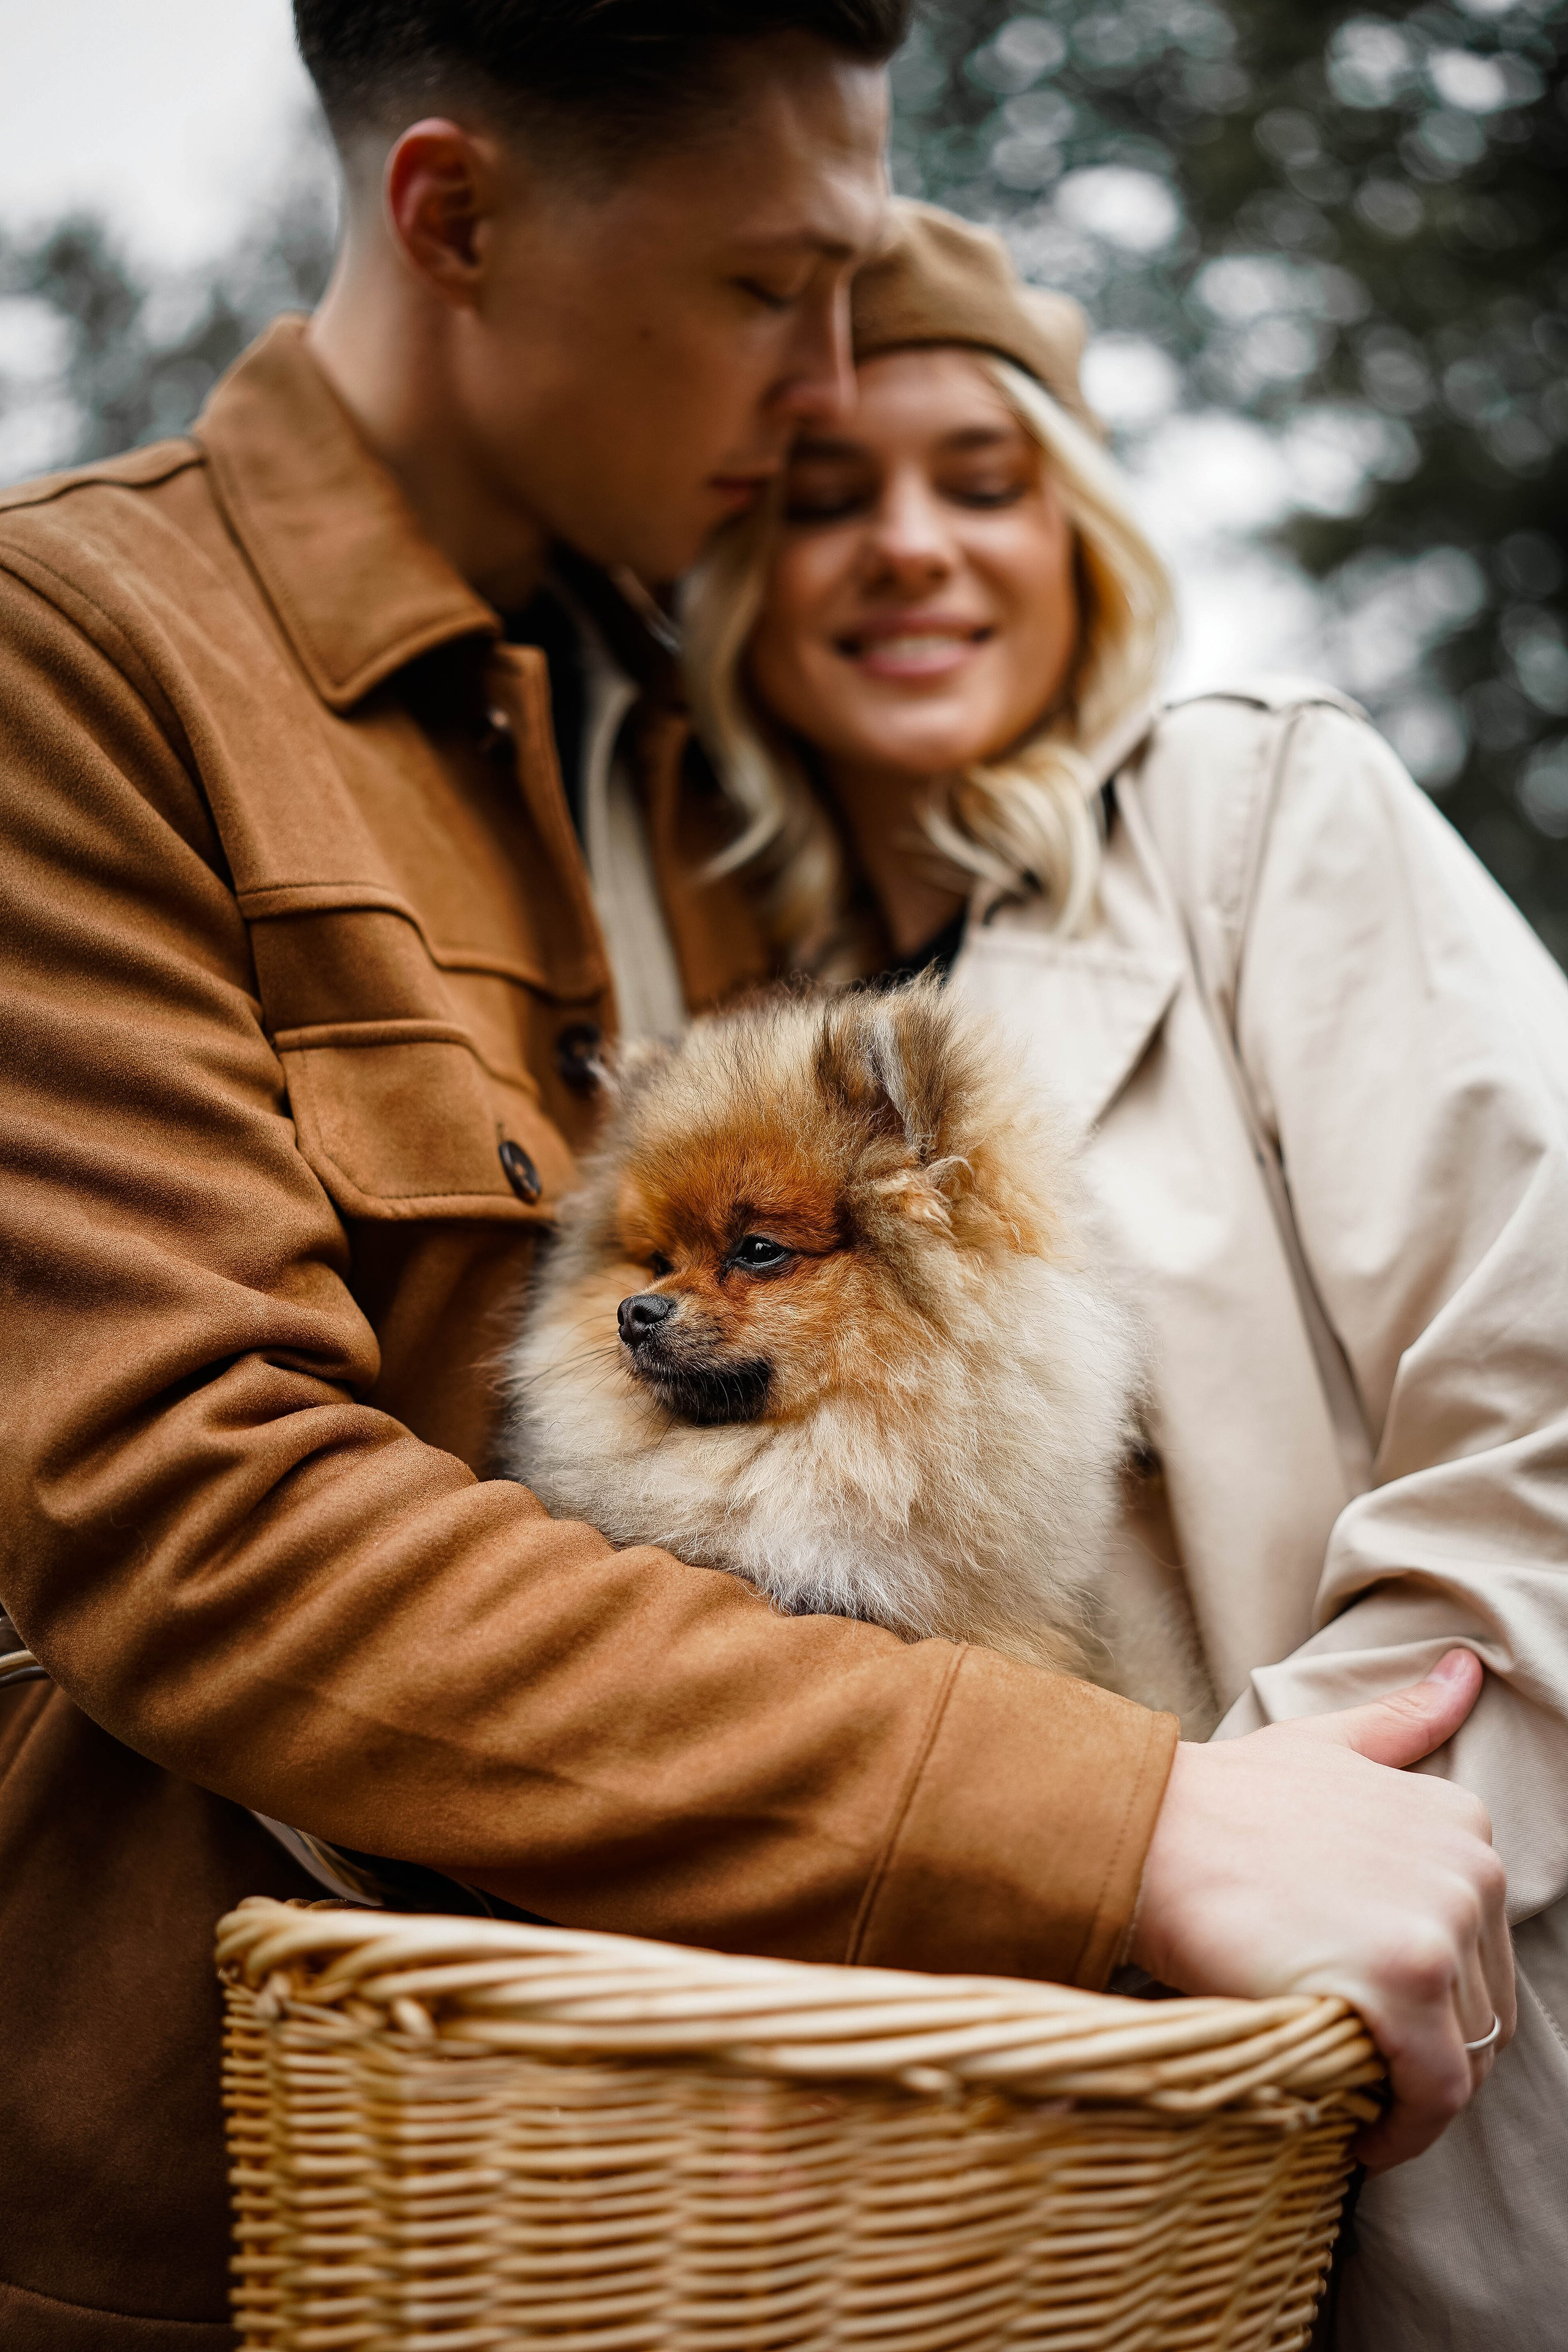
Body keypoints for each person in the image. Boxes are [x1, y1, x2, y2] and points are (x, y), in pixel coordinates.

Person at [0, 12, 1508, 2345]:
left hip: (847, 2199)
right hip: (276, 2207)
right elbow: (183, 1507)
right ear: (455, 214)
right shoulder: (87, 660)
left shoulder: (728, 769)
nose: (828, 376)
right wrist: (1115, 1821)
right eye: (767, 287)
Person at [679, 199, 1568, 2350]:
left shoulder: (1256, 809)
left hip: (1377, 2067)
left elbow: (1539, 1391)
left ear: (1077, 536)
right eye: (828, 497)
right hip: (937, 2160)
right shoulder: (710, 1033)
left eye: (983, 482)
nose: (910, 546)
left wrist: (1235, 1862)